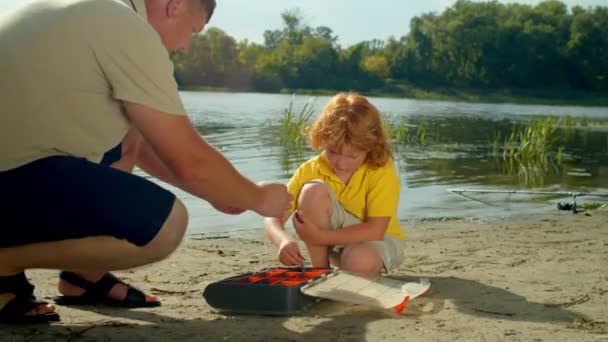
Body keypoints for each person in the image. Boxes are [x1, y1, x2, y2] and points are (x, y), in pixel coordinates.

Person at [0, 0, 292, 323]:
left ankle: (84, 277)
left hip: (16, 172)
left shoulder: (90, 9)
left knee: (131, 131)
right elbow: (191, 162)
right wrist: (259, 198)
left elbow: (151, 147)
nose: (184, 45)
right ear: (175, 6)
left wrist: (215, 191)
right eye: (192, 32)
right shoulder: (126, 26)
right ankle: (3, 266)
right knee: (165, 225)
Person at [264, 92, 405, 278]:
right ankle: (321, 272)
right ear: (322, 139)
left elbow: (376, 229)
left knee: (358, 262)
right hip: (334, 243)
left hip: (379, 240)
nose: (341, 163)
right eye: (333, 151)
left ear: (371, 147)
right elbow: (273, 217)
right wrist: (282, 241)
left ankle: (360, 269)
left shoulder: (380, 168)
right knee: (312, 191)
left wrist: (320, 237)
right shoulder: (310, 170)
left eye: (352, 156)